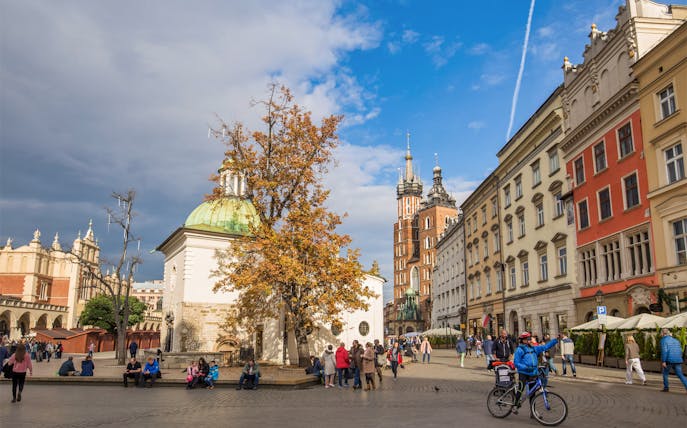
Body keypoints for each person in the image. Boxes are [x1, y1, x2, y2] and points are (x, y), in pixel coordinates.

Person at [513, 332, 559, 412]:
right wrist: (526, 367)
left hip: (533, 373)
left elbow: (545, 346)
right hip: (523, 373)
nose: (530, 340)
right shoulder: (519, 350)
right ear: (522, 340)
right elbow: (516, 363)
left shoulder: (534, 348)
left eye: (530, 339)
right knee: (521, 388)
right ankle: (515, 405)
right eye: (528, 339)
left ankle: (533, 411)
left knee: (532, 393)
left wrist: (556, 340)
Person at [659, 328, 687, 392]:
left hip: (669, 360)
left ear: (663, 333)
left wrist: (663, 361)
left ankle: (666, 388)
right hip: (677, 360)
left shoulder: (663, 341)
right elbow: (680, 350)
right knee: (680, 375)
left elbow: (664, 351)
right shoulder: (676, 340)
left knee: (665, 373)